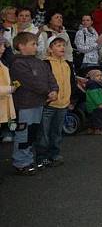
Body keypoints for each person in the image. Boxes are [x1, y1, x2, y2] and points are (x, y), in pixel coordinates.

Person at [10, 32, 57, 174]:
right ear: (21, 46)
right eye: (33, 44)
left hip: (39, 103)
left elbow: (50, 77)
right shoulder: (18, 64)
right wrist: (48, 92)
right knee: (24, 134)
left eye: (36, 44)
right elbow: (31, 82)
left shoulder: (40, 62)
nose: (36, 47)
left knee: (33, 133)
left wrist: (54, 90)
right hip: (25, 105)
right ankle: (21, 163)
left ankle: (29, 159)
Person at [36, 37, 73, 162]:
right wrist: (47, 96)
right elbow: (42, 82)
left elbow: (70, 83)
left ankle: (54, 154)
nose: (62, 47)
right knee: (44, 133)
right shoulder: (45, 64)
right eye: (57, 45)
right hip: (49, 104)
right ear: (50, 49)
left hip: (63, 104)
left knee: (57, 132)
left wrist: (71, 99)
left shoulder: (67, 64)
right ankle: (41, 156)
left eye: (63, 45)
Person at [84, 68, 102, 135]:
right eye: (97, 76)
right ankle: (97, 129)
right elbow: (94, 96)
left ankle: (90, 129)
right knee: (97, 118)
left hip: (95, 105)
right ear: (92, 77)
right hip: (94, 105)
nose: (100, 77)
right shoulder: (93, 85)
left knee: (92, 118)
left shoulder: (98, 84)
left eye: (101, 75)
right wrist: (99, 103)